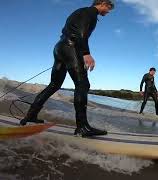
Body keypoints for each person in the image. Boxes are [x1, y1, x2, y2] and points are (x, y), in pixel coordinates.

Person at [20, 0, 115, 137]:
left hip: (60, 47)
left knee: (54, 84)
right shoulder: (90, 13)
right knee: (82, 84)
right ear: (102, 3)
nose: (108, 11)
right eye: (108, 8)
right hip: (71, 47)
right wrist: (86, 54)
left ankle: (30, 116)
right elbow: (81, 34)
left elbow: (70, 31)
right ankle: (82, 127)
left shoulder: (80, 12)